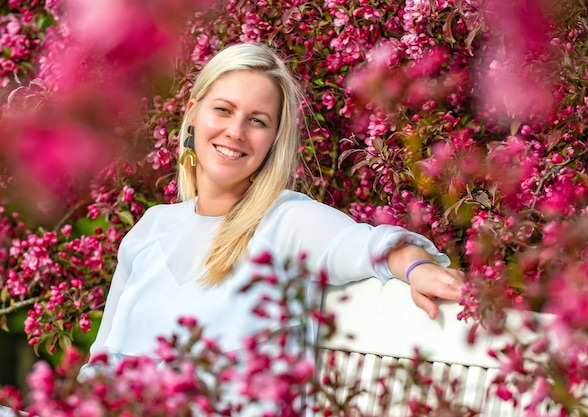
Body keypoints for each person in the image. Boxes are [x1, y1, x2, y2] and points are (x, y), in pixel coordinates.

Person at [80, 42, 465, 384]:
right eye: (223, 110)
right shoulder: (150, 229)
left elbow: (373, 247)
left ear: (274, 138)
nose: (235, 131)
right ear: (194, 113)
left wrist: (420, 268)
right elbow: (99, 365)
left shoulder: (287, 222)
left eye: (257, 120)